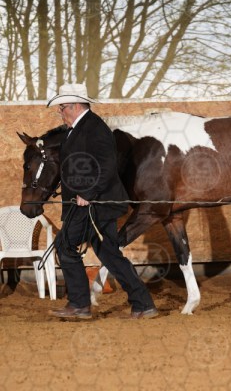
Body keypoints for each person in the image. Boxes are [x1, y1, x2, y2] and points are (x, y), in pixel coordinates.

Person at [47, 83, 158, 320]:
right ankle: (143, 304)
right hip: (89, 204)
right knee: (110, 255)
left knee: (65, 245)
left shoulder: (94, 128)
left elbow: (107, 166)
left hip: (95, 204)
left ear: (76, 106)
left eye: (62, 107)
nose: (60, 112)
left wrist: (88, 193)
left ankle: (79, 304)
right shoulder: (77, 129)